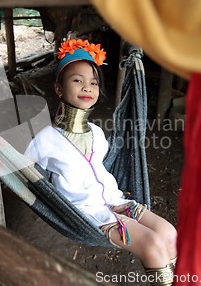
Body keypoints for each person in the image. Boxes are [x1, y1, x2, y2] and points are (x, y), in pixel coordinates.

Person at [24, 39, 177, 286]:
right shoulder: (46, 139)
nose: (87, 87)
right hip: (86, 214)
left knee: (169, 234)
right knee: (152, 244)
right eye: (78, 80)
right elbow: (23, 170)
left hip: (117, 201)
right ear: (59, 88)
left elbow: (101, 165)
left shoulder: (96, 133)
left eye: (93, 82)